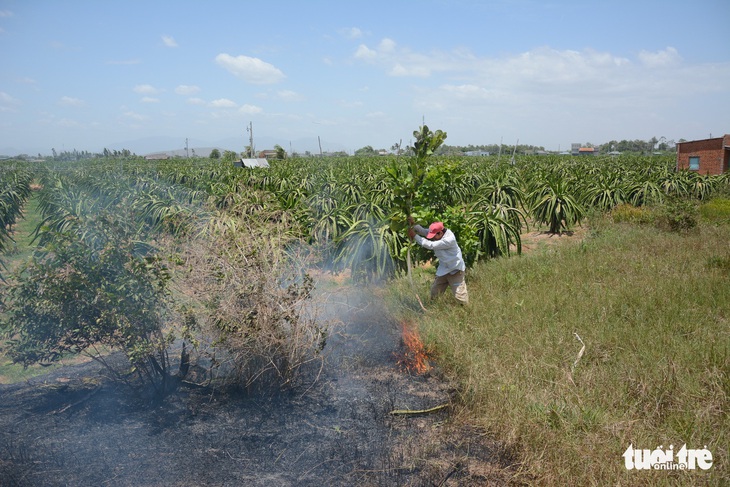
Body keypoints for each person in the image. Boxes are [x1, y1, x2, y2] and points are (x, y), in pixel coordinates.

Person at [408, 217, 469, 305]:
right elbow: (425, 232)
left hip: (455, 269)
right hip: (444, 269)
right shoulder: (438, 234)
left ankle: (465, 311)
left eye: (434, 236)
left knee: (460, 296)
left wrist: (414, 236)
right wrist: (414, 225)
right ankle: (434, 308)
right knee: (435, 292)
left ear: (440, 233)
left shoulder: (449, 239)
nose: (433, 238)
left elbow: (431, 245)